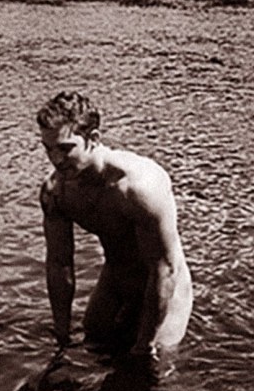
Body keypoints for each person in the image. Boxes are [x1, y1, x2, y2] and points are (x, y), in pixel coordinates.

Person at [37, 91, 193, 357]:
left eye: (65, 148)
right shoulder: (56, 193)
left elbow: (164, 269)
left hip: (165, 282)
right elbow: (59, 263)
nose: (56, 160)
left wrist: (144, 344)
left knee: (154, 363)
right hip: (116, 278)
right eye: (48, 149)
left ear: (94, 139)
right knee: (93, 343)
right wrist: (61, 334)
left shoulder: (138, 187)